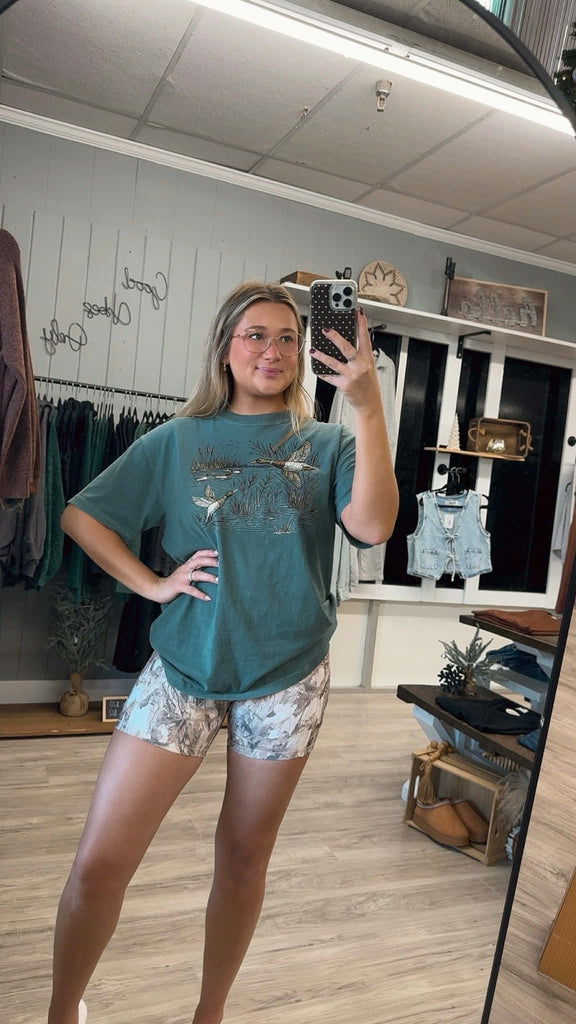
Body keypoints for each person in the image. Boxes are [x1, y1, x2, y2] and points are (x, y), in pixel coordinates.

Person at [48, 280, 398, 1024]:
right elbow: (83, 517)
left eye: (287, 337)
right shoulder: (178, 441)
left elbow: (372, 527)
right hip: (185, 669)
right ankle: (62, 1010)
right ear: (226, 350)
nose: (273, 350)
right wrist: (153, 583)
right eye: (255, 335)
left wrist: (367, 407)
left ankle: (209, 1014)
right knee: (100, 862)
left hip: (288, 677)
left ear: (303, 353)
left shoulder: (331, 443)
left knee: (242, 861)